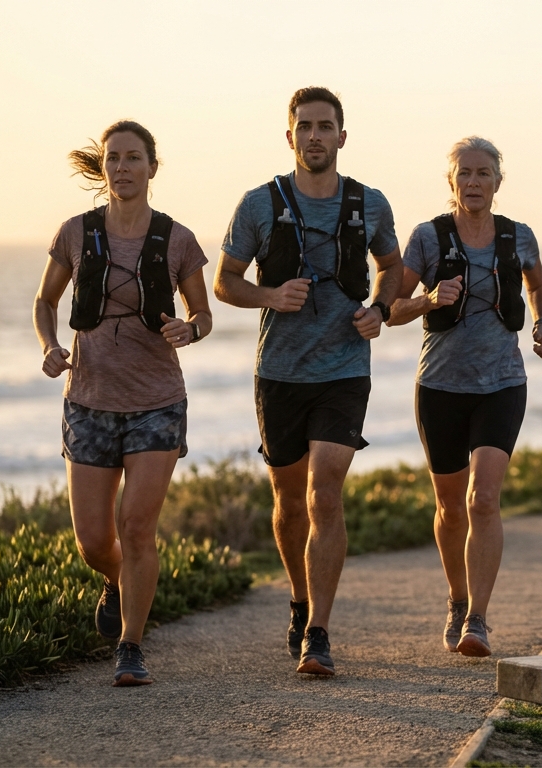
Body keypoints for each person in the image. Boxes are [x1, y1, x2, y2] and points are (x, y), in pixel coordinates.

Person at [214, 87, 402, 676]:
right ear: (289, 136)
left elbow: (392, 268)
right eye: (305, 126)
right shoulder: (257, 203)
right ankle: (298, 600)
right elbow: (224, 282)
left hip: (345, 370)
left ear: (342, 136)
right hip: (279, 372)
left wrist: (380, 309)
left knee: (324, 493)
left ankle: (317, 631)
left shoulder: (370, 204)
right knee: (289, 501)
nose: (315, 135)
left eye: (326, 126)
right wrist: (270, 295)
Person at [33, 120, 211, 686]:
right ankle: (118, 582)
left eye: (134, 158)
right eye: (113, 158)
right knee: (92, 541)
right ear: (103, 166)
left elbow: (203, 312)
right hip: (87, 399)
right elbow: (44, 300)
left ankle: (131, 645)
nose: (122, 168)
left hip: (157, 400)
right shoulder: (75, 232)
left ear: (152, 167)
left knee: (136, 528)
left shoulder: (177, 239)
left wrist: (191, 329)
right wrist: (51, 345)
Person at [387, 136, 542, 657]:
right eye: (465, 173)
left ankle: (478, 620)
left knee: (483, 500)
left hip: (502, 383)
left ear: (497, 183)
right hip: (439, 387)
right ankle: (457, 600)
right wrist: (431, 299)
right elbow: (392, 307)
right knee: (449, 508)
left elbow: (537, 286)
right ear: (452, 181)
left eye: (484, 173)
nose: (474, 182)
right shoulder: (427, 238)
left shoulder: (517, 236)